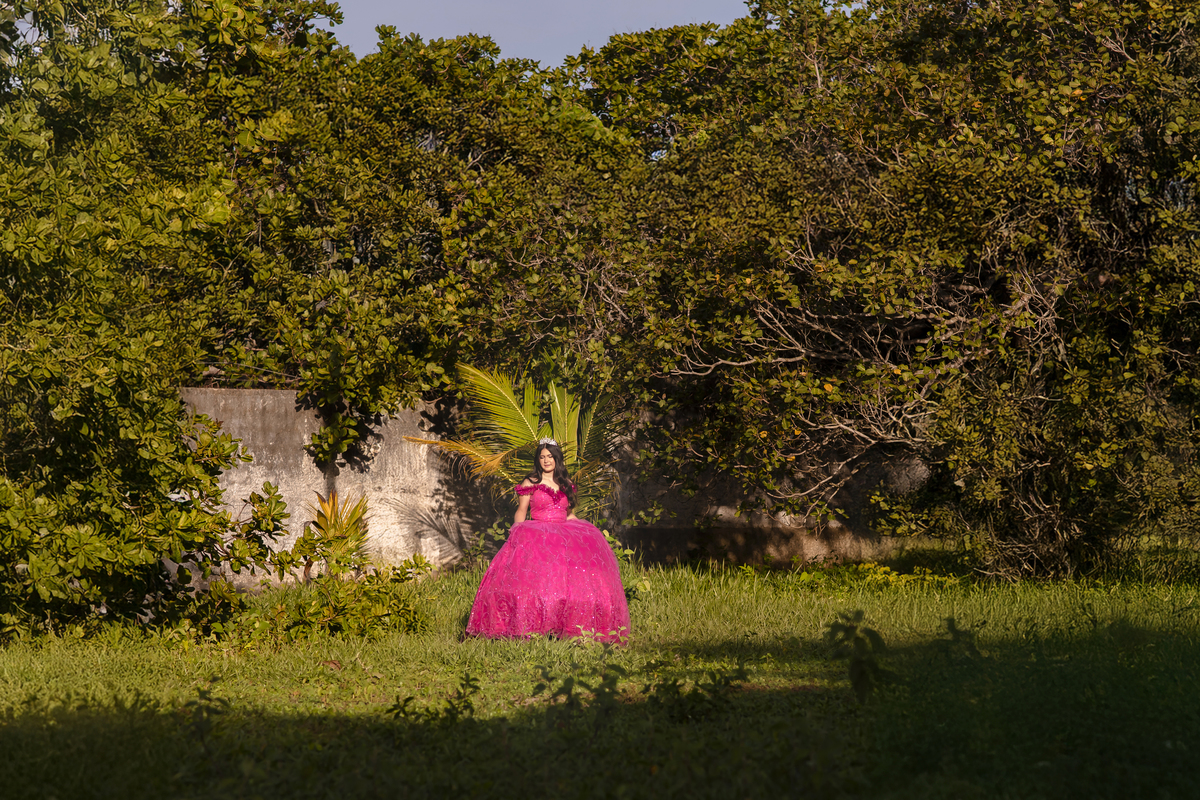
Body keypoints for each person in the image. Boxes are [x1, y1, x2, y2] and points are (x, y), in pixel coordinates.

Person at [464, 438, 630, 642]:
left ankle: (566, 625)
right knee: (538, 582)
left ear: (557, 458)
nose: (546, 460)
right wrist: (517, 532)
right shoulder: (531, 482)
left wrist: (587, 532)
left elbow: (569, 514)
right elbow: (522, 510)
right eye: (542, 457)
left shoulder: (566, 483)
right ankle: (531, 625)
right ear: (538, 460)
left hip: (565, 533)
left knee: (568, 583)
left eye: (550, 456)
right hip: (538, 534)